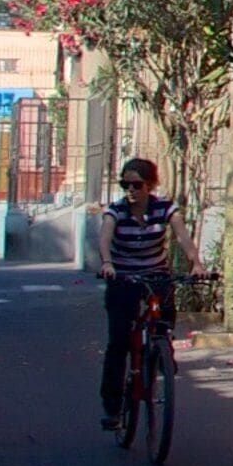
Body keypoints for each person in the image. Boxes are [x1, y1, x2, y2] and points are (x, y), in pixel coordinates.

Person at [93, 159, 186, 428]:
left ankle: (161, 348)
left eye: (137, 184)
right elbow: (104, 238)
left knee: (165, 312)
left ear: (150, 185)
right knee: (118, 342)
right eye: (125, 184)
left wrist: (197, 263)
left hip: (155, 273)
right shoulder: (117, 211)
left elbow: (182, 237)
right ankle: (112, 406)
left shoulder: (165, 208)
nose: (131, 190)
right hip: (123, 276)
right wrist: (107, 264)